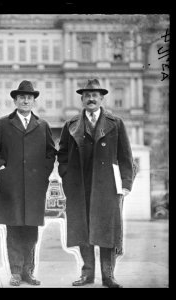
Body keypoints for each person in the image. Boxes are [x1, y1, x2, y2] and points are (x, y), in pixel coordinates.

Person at [57, 79, 135, 288]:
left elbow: (126, 156)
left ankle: (108, 275)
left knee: (107, 231)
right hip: (79, 186)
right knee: (83, 230)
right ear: (82, 99)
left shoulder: (115, 123)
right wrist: (66, 176)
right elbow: (62, 155)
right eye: (87, 95)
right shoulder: (71, 124)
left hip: (107, 187)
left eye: (95, 95)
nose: (91, 98)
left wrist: (126, 183)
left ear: (101, 99)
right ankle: (87, 274)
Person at [0, 80, 57, 286]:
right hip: (11, 186)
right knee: (14, 229)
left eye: (29, 97)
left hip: (35, 188)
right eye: (22, 97)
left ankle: (29, 271)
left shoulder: (42, 125)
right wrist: (2, 170)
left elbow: (50, 153)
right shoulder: (3, 123)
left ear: (34, 101)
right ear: (15, 100)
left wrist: (43, 173)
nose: (26, 100)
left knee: (31, 230)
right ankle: (16, 272)